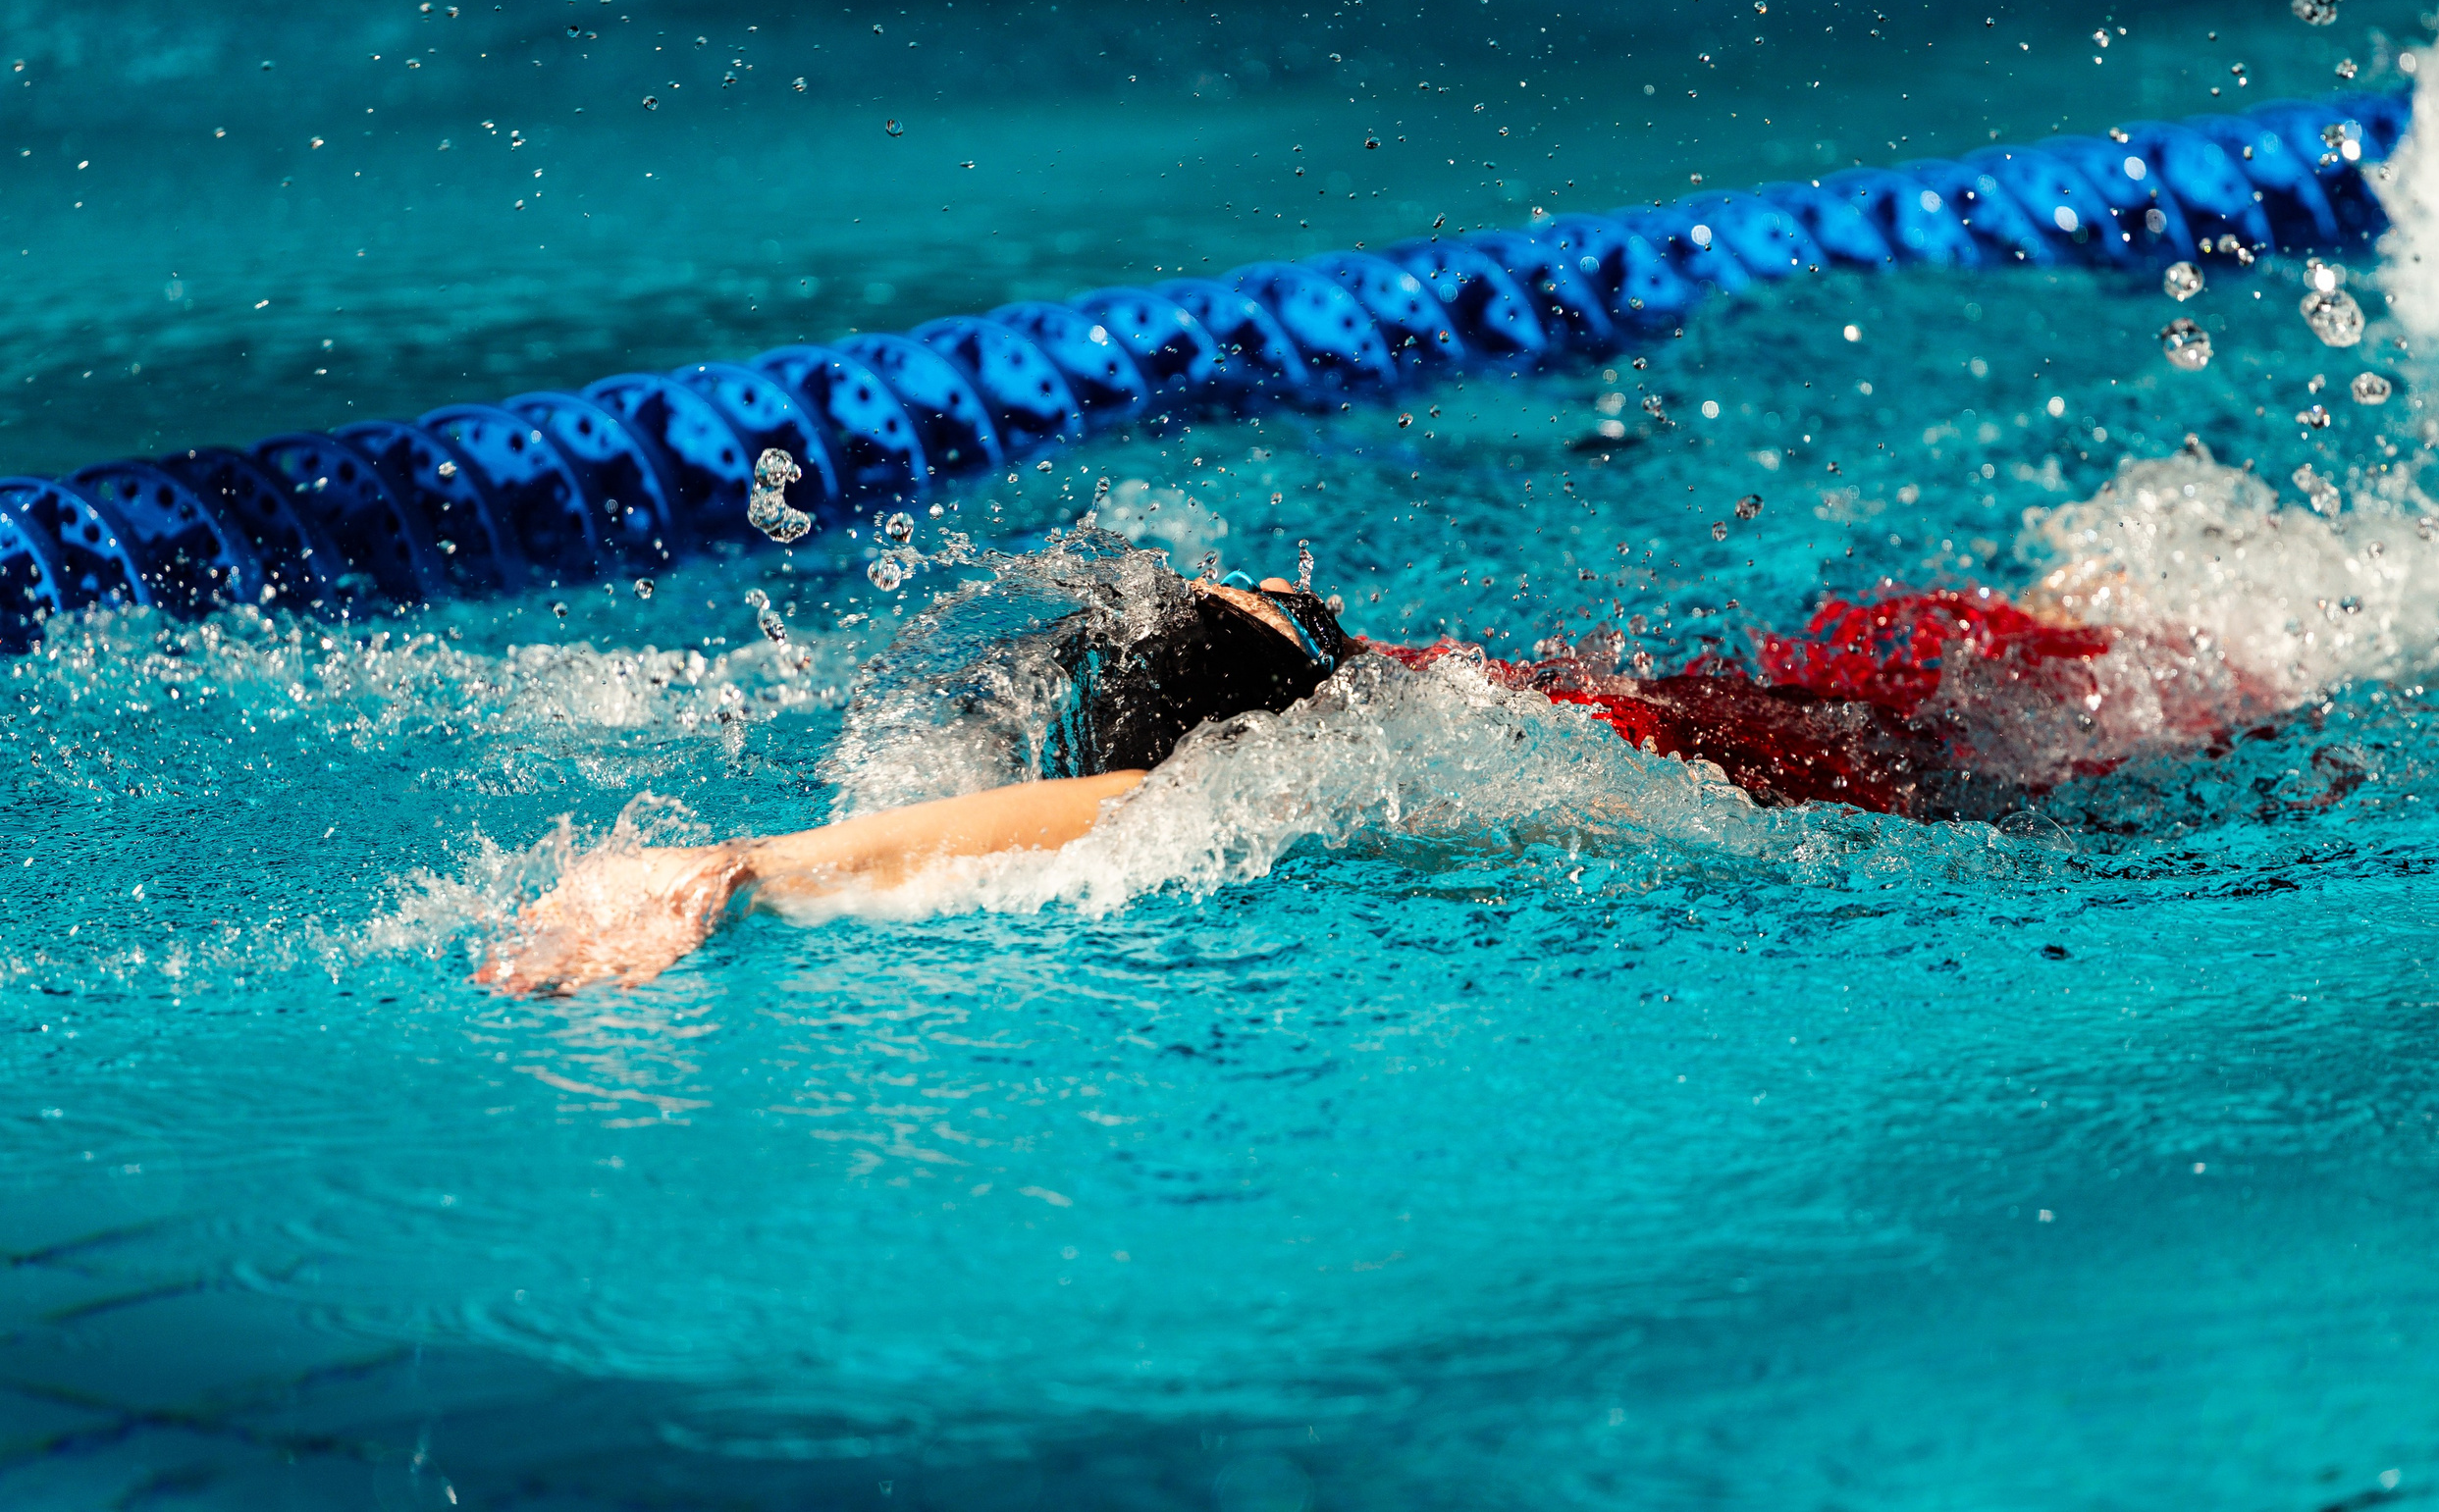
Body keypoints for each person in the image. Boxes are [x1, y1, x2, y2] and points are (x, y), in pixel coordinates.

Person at [478, 564, 2192, 996]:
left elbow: (1118, 813)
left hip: (1959, 763)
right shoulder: (1427, 705)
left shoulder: (1418, 767)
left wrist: (759, 861)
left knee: (2194, 684)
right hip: (1850, 686)